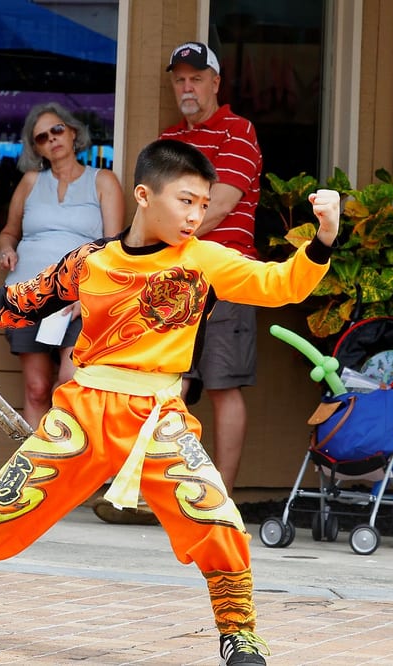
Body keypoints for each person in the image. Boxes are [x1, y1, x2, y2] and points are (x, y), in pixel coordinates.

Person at [0, 139, 339, 666]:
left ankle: (239, 632)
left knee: (216, 520)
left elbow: (280, 284)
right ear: (144, 195)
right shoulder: (91, 260)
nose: (196, 215)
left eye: (203, 203)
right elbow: (20, 302)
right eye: (185, 200)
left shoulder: (206, 260)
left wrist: (322, 241)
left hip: (158, 420)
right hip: (83, 414)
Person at [160, 41, 263, 496]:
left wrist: (168, 228)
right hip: (172, 280)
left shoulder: (238, 132)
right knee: (166, 386)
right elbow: (151, 212)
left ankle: (220, 498)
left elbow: (218, 206)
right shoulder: (166, 142)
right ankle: (160, 491)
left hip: (226, 274)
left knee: (223, 387)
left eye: (196, 78)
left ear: (215, 83)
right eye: (180, 78)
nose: (187, 86)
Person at [0, 102, 124, 428]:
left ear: (72, 132)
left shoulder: (103, 180)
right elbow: (9, 231)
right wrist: (7, 249)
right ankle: (35, 470)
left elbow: (113, 249)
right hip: (29, 293)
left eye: (57, 130)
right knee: (37, 389)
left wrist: (89, 297)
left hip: (80, 297)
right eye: (42, 137)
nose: (52, 139)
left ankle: (66, 466)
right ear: (35, 147)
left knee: (69, 383)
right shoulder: (29, 182)